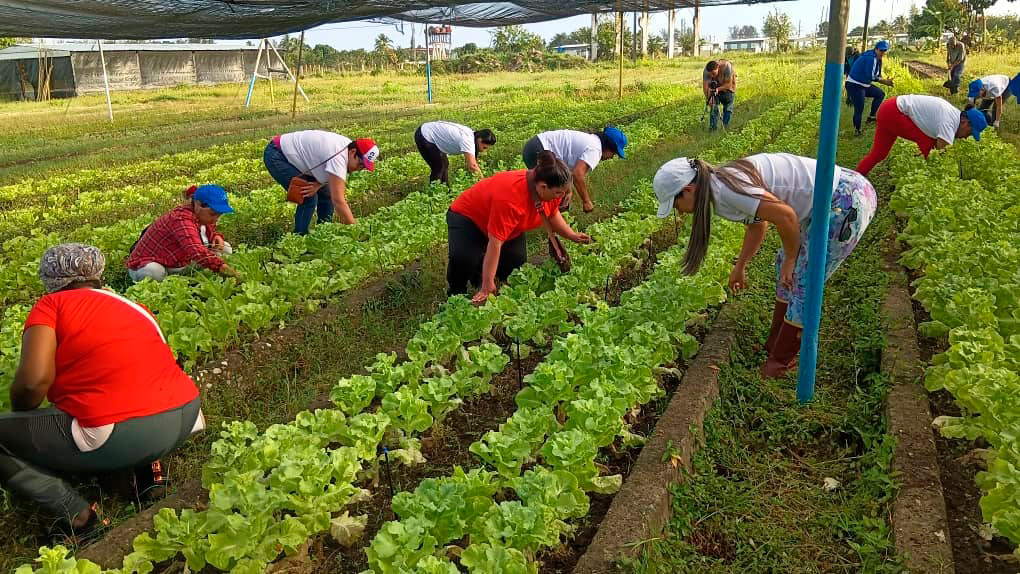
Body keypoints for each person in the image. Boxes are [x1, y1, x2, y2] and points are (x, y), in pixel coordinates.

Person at [1, 244, 204, 534]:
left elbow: (33, 382)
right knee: (133, 386)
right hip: (186, 415)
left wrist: (21, 419)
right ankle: (151, 480)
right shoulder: (131, 305)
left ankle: (77, 515)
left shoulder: (52, 306)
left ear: (51, 278)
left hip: (119, 433)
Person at [653, 154, 878, 379]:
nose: (679, 212)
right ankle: (774, 345)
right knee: (784, 266)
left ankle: (779, 363)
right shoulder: (719, 187)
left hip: (845, 199)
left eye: (675, 204)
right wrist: (740, 266)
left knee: (804, 280)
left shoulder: (725, 189)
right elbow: (757, 225)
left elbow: (786, 216)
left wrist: (792, 257)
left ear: (689, 190)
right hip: (830, 197)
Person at [447, 151, 592, 303]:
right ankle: (456, 295)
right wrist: (487, 284)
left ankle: (485, 274)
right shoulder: (511, 197)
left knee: (515, 268)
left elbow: (552, 213)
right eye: (558, 193)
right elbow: (495, 242)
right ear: (542, 187)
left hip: (508, 226)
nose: (561, 197)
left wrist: (571, 235)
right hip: (469, 217)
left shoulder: (552, 189)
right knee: (463, 259)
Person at [262, 130, 380, 234]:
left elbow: (326, 168)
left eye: (363, 167)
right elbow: (339, 201)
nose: (358, 169)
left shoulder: (347, 149)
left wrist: (318, 184)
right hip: (278, 154)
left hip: (300, 158)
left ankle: (323, 233)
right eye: (360, 164)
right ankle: (298, 238)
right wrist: (355, 231)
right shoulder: (338, 156)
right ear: (353, 152)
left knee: (326, 194)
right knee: (308, 196)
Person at [126, 185, 241, 282]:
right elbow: (197, 252)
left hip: (177, 261)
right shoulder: (182, 220)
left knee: (224, 248)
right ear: (198, 204)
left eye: (219, 215)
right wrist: (226, 270)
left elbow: (206, 231)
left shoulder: (201, 215)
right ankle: (161, 286)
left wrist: (216, 236)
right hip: (148, 264)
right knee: (154, 272)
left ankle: (179, 280)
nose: (216, 219)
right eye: (213, 214)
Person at [855, 95, 990, 176]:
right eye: (970, 133)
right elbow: (941, 154)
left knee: (879, 154)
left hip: (889, 108)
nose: (966, 137)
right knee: (927, 142)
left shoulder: (953, 115)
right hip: (894, 112)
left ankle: (857, 177)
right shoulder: (949, 123)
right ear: (966, 123)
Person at [521, 126, 627, 213]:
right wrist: (586, 201)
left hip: (535, 145)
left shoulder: (592, 141)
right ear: (609, 147)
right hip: (540, 149)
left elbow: (567, 171)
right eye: (614, 153)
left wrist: (568, 191)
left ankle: (555, 225)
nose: (612, 157)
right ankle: (548, 226)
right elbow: (578, 174)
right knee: (549, 192)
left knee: (556, 192)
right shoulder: (596, 150)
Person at [414, 121, 496, 184]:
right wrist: (484, 184)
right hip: (425, 134)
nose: (483, 150)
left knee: (445, 164)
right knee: (439, 167)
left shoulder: (473, 136)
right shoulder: (468, 140)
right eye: (484, 147)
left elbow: (474, 161)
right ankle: (434, 194)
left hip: (430, 131)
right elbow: (472, 166)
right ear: (479, 139)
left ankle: (445, 191)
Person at [845, 40, 895, 136]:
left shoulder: (877, 57)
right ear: (876, 49)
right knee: (859, 108)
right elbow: (870, 76)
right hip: (855, 85)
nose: (883, 53)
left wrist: (883, 79)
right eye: (881, 50)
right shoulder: (870, 58)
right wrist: (884, 81)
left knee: (880, 94)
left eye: (885, 51)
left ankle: (871, 117)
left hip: (864, 84)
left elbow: (876, 74)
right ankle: (857, 130)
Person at [703, 59, 737, 130]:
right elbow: (705, 86)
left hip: (728, 89)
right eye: (710, 74)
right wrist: (708, 98)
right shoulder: (706, 71)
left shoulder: (727, 66)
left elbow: (728, 84)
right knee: (714, 108)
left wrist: (718, 89)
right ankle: (713, 129)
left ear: (718, 67)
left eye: (713, 73)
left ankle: (725, 127)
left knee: (728, 108)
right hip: (714, 89)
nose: (712, 76)